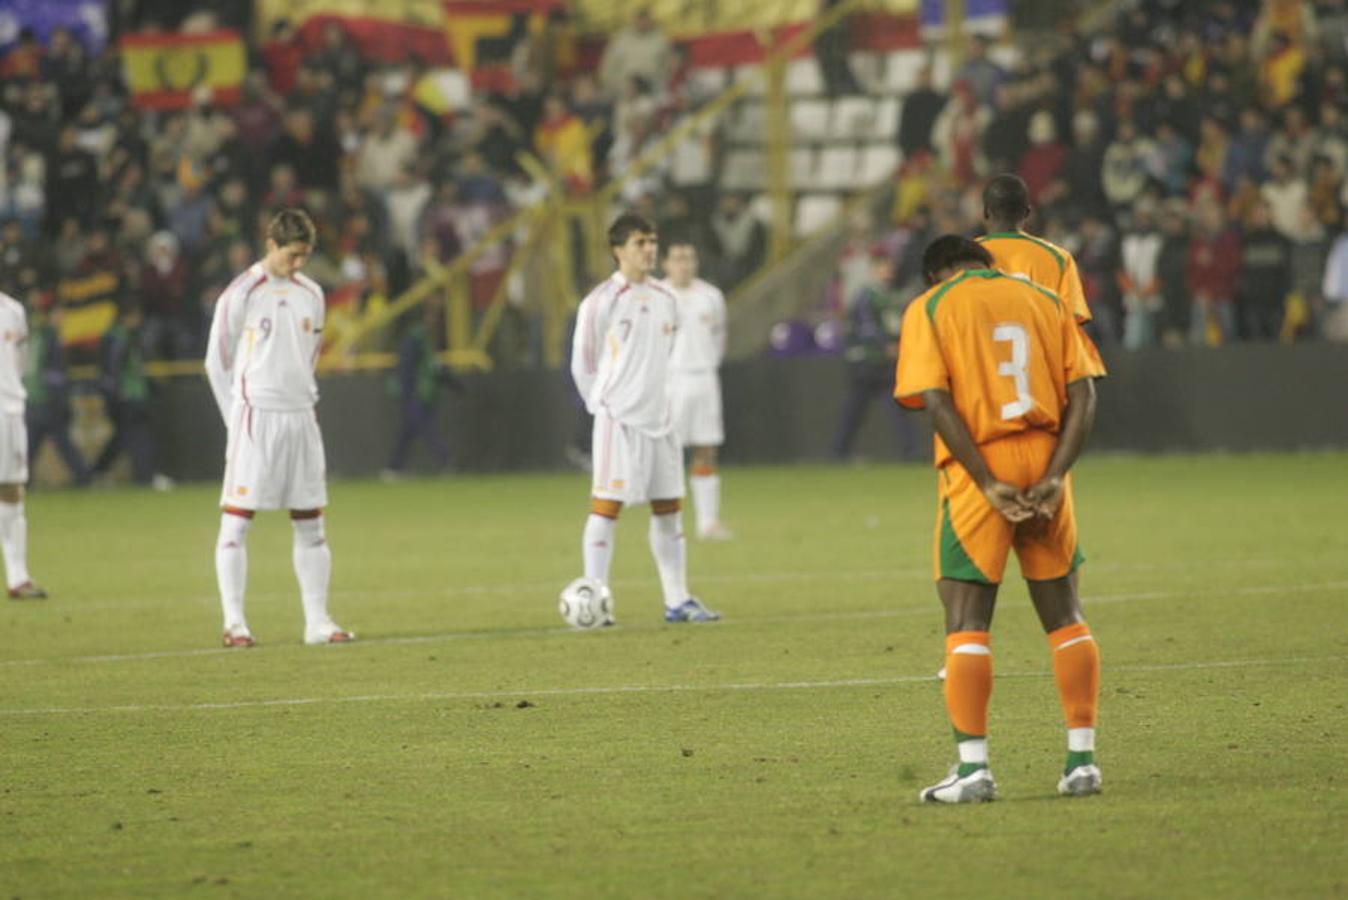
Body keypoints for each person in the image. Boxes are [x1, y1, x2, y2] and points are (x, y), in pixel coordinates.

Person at [895, 235, 1101, 803]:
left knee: (967, 617)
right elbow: (1083, 395)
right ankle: (1082, 762)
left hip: (980, 464)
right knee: (1065, 613)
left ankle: (973, 771)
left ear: (937, 273)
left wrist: (987, 481)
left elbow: (935, 400)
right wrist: (1057, 475)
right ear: (985, 262)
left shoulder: (931, 307)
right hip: (1047, 457)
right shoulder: (1044, 299)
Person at [204, 208, 352, 648]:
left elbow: (310, 355)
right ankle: (235, 624)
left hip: (301, 417)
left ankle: (317, 623)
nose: (298, 264)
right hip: (256, 417)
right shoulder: (241, 293)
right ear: (271, 245)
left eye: (305, 255)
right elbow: (217, 362)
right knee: (237, 522)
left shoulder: (312, 293)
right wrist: (234, 422)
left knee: (311, 522)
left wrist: (305, 400)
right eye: (292, 255)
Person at [570, 213, 718, 623]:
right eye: (640, 242)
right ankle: (594, 597)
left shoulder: (665, 298)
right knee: (606, 508)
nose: (649, 249)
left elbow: (663, 357)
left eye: (652, 241)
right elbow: (583, 363)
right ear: (618, 250)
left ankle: (678, 601)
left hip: (662, 421)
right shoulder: (601, 301)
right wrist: (602, 405)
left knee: (669, 510)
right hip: (619, 420)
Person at [977, 173, 1108, 378]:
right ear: (1028, 212)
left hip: (980, 376)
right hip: (1039, 379)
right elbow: (1071, 329)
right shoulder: (1058, 258)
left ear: (985, 211)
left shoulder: (963, 257)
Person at [660, 237, 731, 540]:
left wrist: (709, 364)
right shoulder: (657, 296)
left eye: (689, 258)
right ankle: (669, 523)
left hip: (704, 378)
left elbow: (720, 336)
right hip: (670, 381)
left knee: (706, 449)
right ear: (665, 264)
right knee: (668, 453)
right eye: (677, 258)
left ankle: (707, 522)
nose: (684, 264)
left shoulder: (711, 296)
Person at [831, 250, 917, 461]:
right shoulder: (866, 296)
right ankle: (838, 452)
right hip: (866, 361)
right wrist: (886, 344)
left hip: (885, 363)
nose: (888, 272)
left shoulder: (895, 295)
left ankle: (911, 452)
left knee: (896, 409)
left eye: (890, 267)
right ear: (873, 270)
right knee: (854, 411)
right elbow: (867, 326)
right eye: (883, 267)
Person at [0, 288, 47, 599]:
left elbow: (20, 359)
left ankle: (18, 577)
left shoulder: (13, 309)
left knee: (13, 489)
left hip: (10, 408)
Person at [91, 305, 169, 487]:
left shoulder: (121, 336)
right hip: (129, 396)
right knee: (141, 437)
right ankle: (147, 477)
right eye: (136, 316)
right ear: (127, 317)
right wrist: (119, 393)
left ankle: (96, 473)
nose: (138, 321)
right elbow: (115, 369)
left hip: (128, 395)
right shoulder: (120, 338)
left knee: (123, 437)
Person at [383, 302, 457, 478]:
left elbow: (434, 368)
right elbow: (408, 369)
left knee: (409, 431)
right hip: (417, 395)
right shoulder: (415, 340)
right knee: (425, 429)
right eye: (431, 316)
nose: (434, 320)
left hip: (422, 394)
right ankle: (445, 460)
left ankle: (393, 468)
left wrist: (454, 385)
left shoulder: (424, 339)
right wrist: (409, 394)